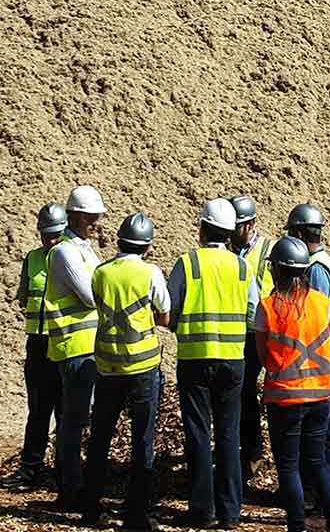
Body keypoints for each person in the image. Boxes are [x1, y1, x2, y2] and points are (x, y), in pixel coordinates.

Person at [81, 213, 170, 532]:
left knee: (100, 438)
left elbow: (98, 304)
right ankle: (137, 515)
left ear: (119, 240)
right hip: (143, 366)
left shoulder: (101, 272)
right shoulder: (150, 273)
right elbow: (164, 315)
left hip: (107, 366)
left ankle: (90, 509)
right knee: (142, 440)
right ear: (147, 245)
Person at [167, 198, 251, 529]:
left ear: (202, 229)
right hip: (232, 360)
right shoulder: (242, 267)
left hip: (195, 359)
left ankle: (202, 510)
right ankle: (231, 511)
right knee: (229, 435)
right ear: (230, 233)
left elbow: (170, 311)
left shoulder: (187, 264)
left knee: (199, 433)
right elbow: (252, 313)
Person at [254, 237, 330, 532]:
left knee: (289, 465)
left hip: (285, 397)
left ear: (277, 271)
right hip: (321, 394)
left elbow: (262, 353)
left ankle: (297, 524)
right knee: (317, 459)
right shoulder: (321, 301)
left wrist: (282, 369)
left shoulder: (267, 307)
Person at [42, 184, 106, 511]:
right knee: (74, 421)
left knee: (79, 419)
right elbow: (92, 294)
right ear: (78, 215)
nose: (97, 222)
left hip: (89, 346)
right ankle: (70, 489)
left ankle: (75, 485)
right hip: (74, 347)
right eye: (93, 216)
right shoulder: (66, 252)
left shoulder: (83, 249)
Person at [285, 202, 330, 513]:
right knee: (325, 431)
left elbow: (317, 320)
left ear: (299, 233)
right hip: (329, 357)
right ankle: (329, 491)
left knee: (323, 434)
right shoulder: (321, 262)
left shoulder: (316, 269)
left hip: (323, 359)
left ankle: (327, 493)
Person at [12, 202, 68, 489]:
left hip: (63, 342)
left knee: (64, 410)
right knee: (38, 409)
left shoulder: (71, 256)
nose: (51, 240)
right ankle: (31, 467)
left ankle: (63, 469)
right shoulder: (32, 259)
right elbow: (23, 295)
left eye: (56, 234)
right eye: (46, 234)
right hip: (36, 342)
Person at [229, 195, 274, 477]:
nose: (234, 231)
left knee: (260, 392)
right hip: (235, 332)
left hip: (263, 331)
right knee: (242, 392)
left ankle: (255, 451)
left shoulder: (268, 250)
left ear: (252, 224)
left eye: (239, 226)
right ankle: (249, 450)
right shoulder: (225, 249)